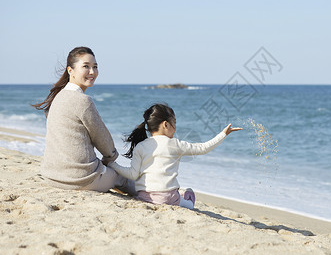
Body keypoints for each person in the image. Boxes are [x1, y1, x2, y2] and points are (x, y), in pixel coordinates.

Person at [32, 46, 135, 195]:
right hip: (79, 178)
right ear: (70, 71)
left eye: (95, 67)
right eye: (86, 66)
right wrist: (111, 158)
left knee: (111, 174)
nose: (92, 72)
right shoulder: (82, 100)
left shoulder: (59, 97)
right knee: (122, 178)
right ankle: (159, 195)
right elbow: (102, 138)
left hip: (52, 175)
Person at [108, 103, 242, 209]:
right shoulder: (174, 144)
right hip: (168, 198)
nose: (175, 127)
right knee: (187, 204)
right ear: (166, 124)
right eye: (175, 122)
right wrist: (223, 134)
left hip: (145, 197)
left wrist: (112, 164)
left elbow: (132, 174)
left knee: (174, 195)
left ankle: (183, 195)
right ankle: (187, 199)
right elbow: (203, 148)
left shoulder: (140, 146)